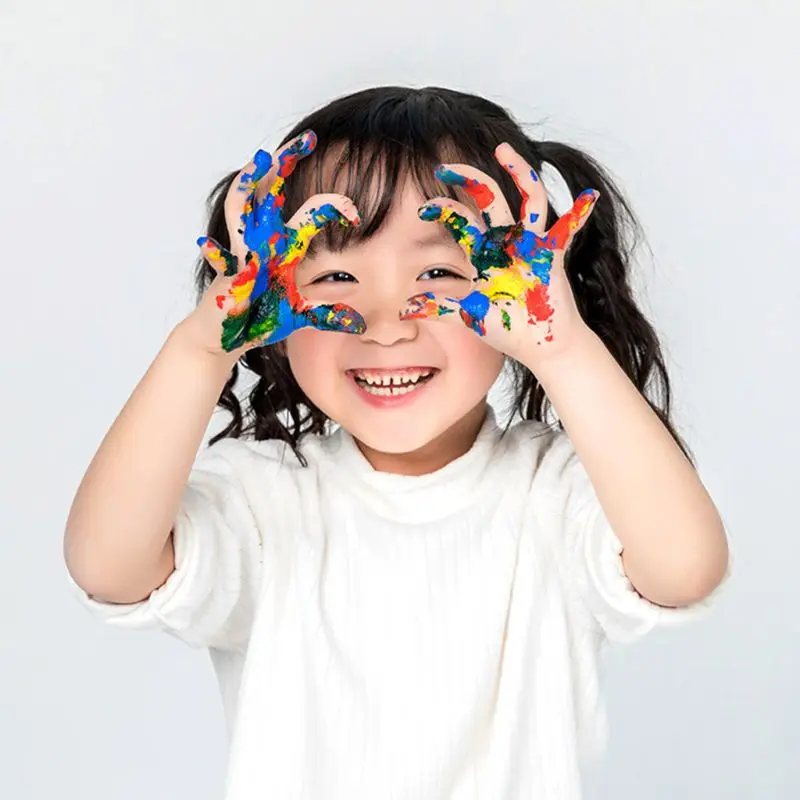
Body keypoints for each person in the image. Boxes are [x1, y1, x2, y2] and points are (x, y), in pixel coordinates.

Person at [64, 85, 730, 799]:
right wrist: (200, 350)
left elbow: (684, 569)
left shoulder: (555, 490)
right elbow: (109, 567)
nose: (386, 324)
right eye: (336, 275)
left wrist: (563, 349)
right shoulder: (263, 498)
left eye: (439, 272)